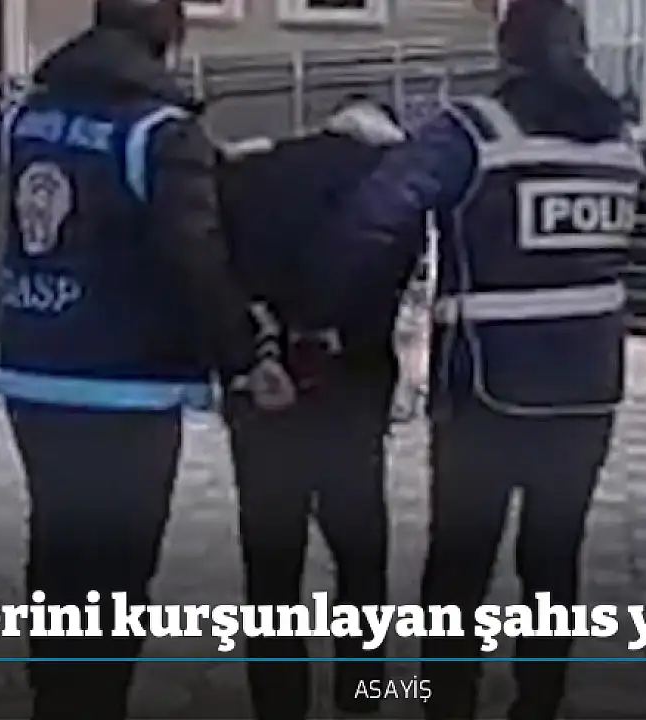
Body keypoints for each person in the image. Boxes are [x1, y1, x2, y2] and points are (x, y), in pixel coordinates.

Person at [304, 1, 644, 718]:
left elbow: (376, 214)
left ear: (506, 52)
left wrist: (326, 309)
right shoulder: (620, 139)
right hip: (590, 385)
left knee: (460, 563)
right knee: (553, 559)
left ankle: (445, 701)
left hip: (488, 385)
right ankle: (537, 704)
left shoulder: (473, 132)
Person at [0, 0, 293, 717]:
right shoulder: (160, 132)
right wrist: (246, 356)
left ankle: (55, 701)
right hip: (125, 384)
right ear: (169, 35)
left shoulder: (24, 120)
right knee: (118, 568)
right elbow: (194, 256)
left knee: (57, 548)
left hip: (34, 368)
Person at [215, 96, 423, 720]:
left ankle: (278, 703)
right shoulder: (393, 183)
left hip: (265, 381)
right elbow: (404, 291)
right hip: (351, 385)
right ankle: (363, 693)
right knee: (360, 553)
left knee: (271, 564)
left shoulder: (255, 170)